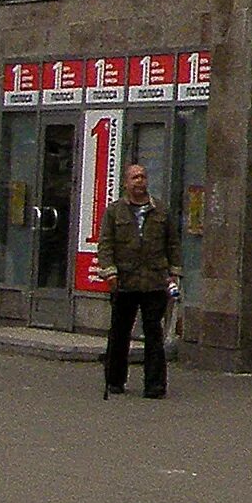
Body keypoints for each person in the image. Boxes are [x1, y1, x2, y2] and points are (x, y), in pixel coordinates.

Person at [97, 163, 177, 400]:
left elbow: (172, 243)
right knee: (120, 332)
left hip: (154, 280)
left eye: (142, 176)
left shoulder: (161, 210)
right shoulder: (115, 212)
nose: (139, 181)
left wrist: (174, 273)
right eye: (134, 177)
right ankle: (114, 379)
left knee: (154, 333)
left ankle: (155, 385)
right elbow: (106, 244)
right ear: (126, 183)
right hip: (124, 281)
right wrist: (109, 272)